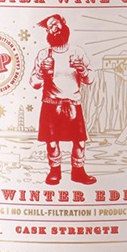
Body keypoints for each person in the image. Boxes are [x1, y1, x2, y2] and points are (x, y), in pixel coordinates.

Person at [30, 14, 96, 184]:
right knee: (52, 143)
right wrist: (42, 72)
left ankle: (78, 173)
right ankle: (55, 172)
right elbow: (34, 83)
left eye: (56, 24)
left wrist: (82, 70)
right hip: (51, 104)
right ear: (48, 32)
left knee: (80, 143)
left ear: (63, 24)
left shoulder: (77, 52)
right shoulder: (44, 55)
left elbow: (90, 79)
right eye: (50, 27)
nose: (55, 28)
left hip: (73, 104)